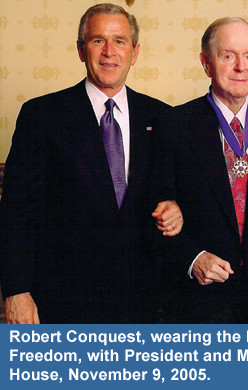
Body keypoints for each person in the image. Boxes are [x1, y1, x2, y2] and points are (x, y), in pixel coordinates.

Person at [0, 3, 183, 324]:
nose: (109, 51)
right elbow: (16, 211)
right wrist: (16, 290)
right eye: (98, 40)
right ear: (81, 50)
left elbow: (176, 192)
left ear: (135, 51)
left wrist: (175, 206)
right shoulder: (42, 115)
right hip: (62, 299)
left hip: (146, 301)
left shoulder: (164, 117)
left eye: (120, 41)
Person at [151, 17, 248, 323]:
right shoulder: (173, 125)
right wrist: (192, 258)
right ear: (206, 63)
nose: (241, 66)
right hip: (199, 300)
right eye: (228, 56)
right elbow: (157, 213)